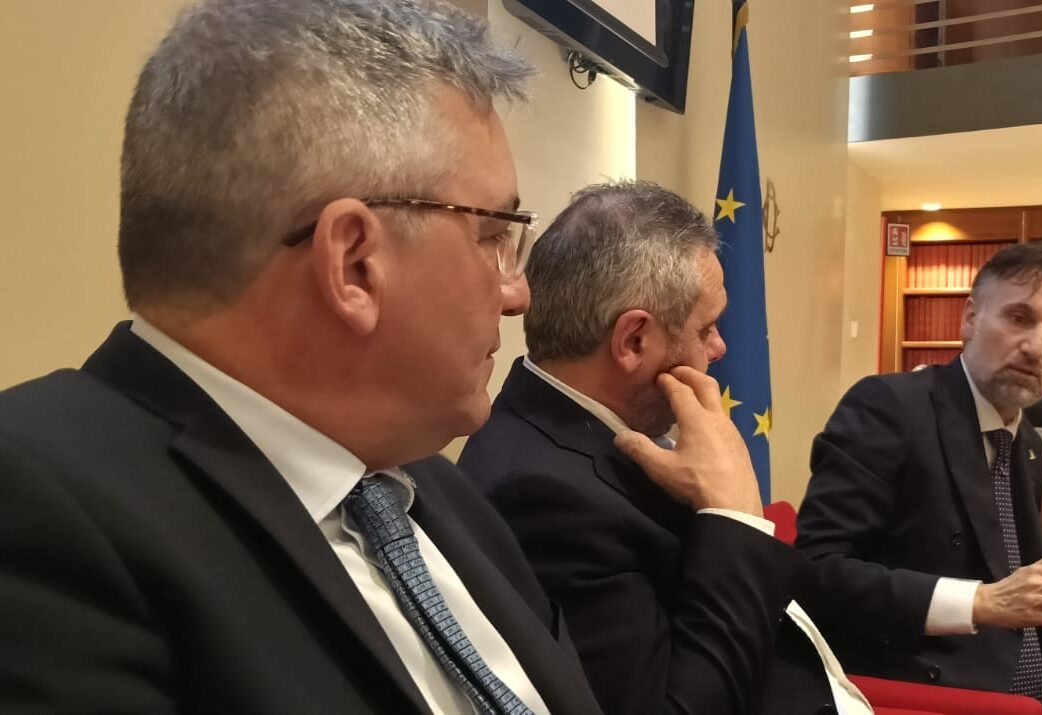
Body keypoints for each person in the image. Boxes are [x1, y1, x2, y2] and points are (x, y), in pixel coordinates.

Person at [0, 1, 605, 712]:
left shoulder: (437, 493)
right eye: (495, 236)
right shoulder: (39, 512)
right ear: (354, 264)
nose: (517, 292)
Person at [458, 180, 871, 715]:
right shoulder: (540, 495)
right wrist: (737, 518)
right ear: (634, 341)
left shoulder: (602, 427)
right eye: (707, 328)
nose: (720, 347)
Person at [795, 240, 1042, 714]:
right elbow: (816, 571)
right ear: (969, 318)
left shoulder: (1030, 446)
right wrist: (979, 603)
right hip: (920, 695)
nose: (1035, 347)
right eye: (1018, 318)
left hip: (1016, 685)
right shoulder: (890, 407)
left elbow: (1007, 582)